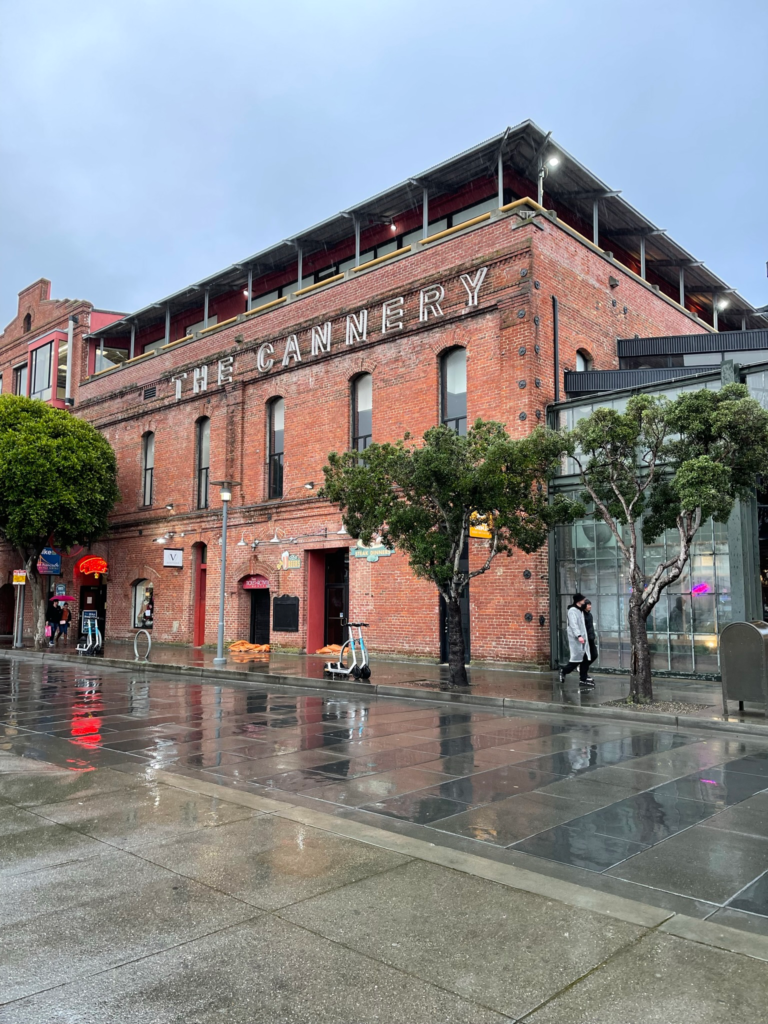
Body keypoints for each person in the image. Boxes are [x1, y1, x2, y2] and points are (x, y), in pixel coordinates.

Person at [559, 593, 592, 686]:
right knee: (576, 660)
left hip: (582, 638)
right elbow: (573, 625)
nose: (584, 601)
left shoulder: (579, 610)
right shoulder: (572, 611)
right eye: (583, 599)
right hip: (576, 639)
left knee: (585, 659)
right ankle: (564, 671)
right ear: (578, 600)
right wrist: (578, 636)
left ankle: (583, 678)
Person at [580, 599, 598, 686]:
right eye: (588, 605)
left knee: (594, 655)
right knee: (586, 658)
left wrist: (593, 636)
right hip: (585, 640)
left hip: (591, 639)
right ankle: (583, 676)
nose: (590, 606)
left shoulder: (590, 615)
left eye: (590, 605)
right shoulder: (582, 615)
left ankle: (583, 670)